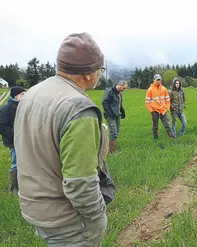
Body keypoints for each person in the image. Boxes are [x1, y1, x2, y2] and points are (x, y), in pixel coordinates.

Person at [14, 32, 110, 246]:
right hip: (68, 220)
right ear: (88, 74)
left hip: (35, 207)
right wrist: (97, 216)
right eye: (100, 70)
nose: (100, 75)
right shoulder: (77, 109)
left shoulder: (33, 93)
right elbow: (80, 183)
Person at [0, 86, 26, 192]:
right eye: (22, 94)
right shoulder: (6, 108)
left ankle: (23, 186)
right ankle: (13, 188)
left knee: (24, 163)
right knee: (16, 163)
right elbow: (2, 126)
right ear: (16, 96)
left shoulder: (22, 106)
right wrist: (16, 136)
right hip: (13, 141)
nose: (24, 96)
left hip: (22, 139)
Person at [145, 74, 175, 140]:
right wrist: (151, 111)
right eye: (157, 80)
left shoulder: (164, 89)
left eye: (160, 80)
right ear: (154, 80)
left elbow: (167, 100)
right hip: (154, 111)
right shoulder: (150, 90)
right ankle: (156, 138)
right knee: (155, 126)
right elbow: (147, 102)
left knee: (167, 124)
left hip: (163, 110)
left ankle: (172, 138)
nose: (159, 81)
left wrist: (166, 108)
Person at [102, 80, 128, 153]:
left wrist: (122, 112)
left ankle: (110, 149)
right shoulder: (109, 91)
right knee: (113, 133)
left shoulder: (120, 94)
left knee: (116, 132)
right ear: (120, 85)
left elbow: (120, 104)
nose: (124, 90)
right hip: (110, 116)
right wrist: (109, 113)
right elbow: (104, 102)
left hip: (117, 115)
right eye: (124, 88)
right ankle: (112, 151)